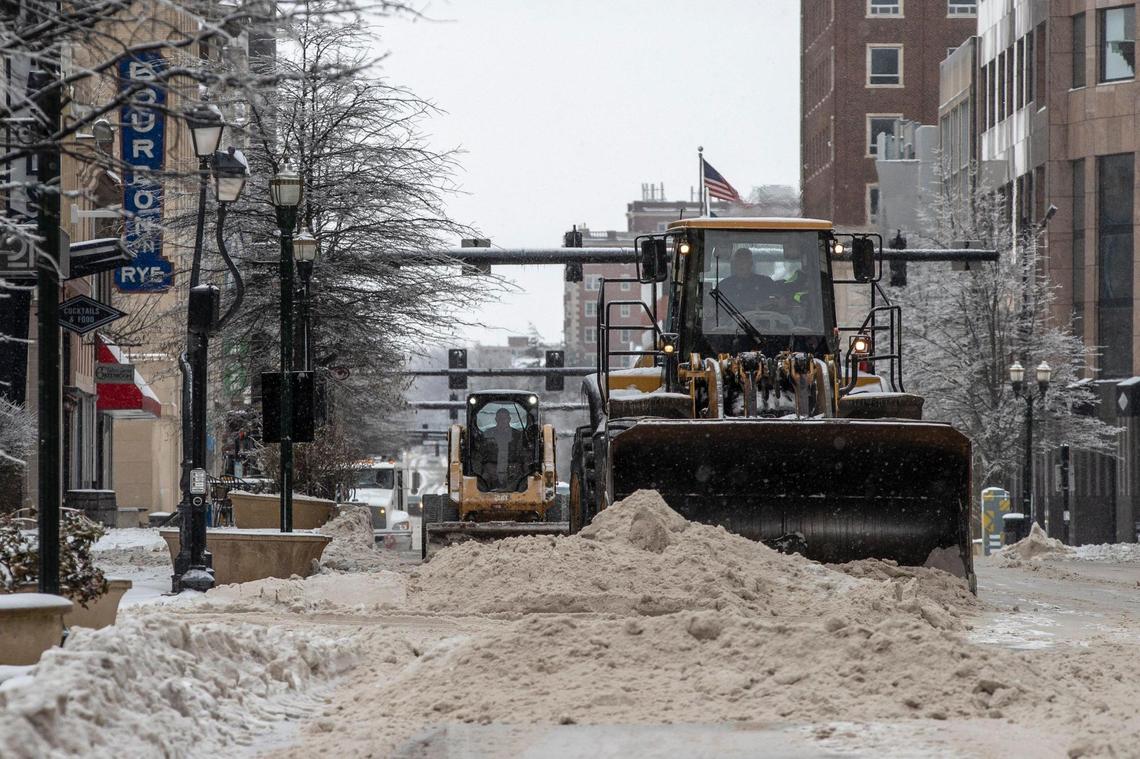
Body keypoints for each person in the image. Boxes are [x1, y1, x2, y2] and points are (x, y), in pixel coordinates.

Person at [713, 248, 779, 314]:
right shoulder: (724, 286)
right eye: (738, 261)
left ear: (751, 264)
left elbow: (779, 302)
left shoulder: (766, 283)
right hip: (732, 322)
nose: (741, 264)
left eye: (744, 261)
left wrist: (771, 303)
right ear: (734, 264)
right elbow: (716, 311)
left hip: (765, 322)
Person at [480, 407, 524, 490]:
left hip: (513, 470)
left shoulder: (518, 435)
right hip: (490, 470)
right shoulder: (487, 434)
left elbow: (522, 454)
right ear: (496, 419)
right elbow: (481, 454)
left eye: (505, 418)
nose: (502, 421)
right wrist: (488, 467)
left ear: (509, 419)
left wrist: (516, 467)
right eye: (500, 418)